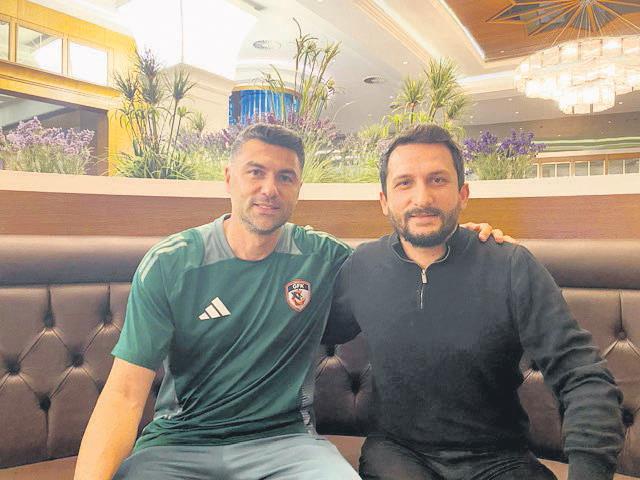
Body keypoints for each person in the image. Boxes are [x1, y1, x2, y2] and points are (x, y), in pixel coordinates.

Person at [74, 123, 503, 480]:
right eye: (255, 173)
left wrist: (467, 242)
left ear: (298, 187)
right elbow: (124, 395)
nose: (269, 189)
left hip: (286, 443)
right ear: (229, 178)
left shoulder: (324, 257)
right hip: (179, 444)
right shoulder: (171, 263)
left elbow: (405, 260)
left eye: (285, 177)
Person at [323, 124, 624, 480]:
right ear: (384, 200)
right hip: (398, 453)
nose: (422, 198)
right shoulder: (362, 266)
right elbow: (309, 329)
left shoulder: (509, 265)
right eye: (404, 183)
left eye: (437, 180)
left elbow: (583, 376)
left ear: (463, 194)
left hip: (498, 458)